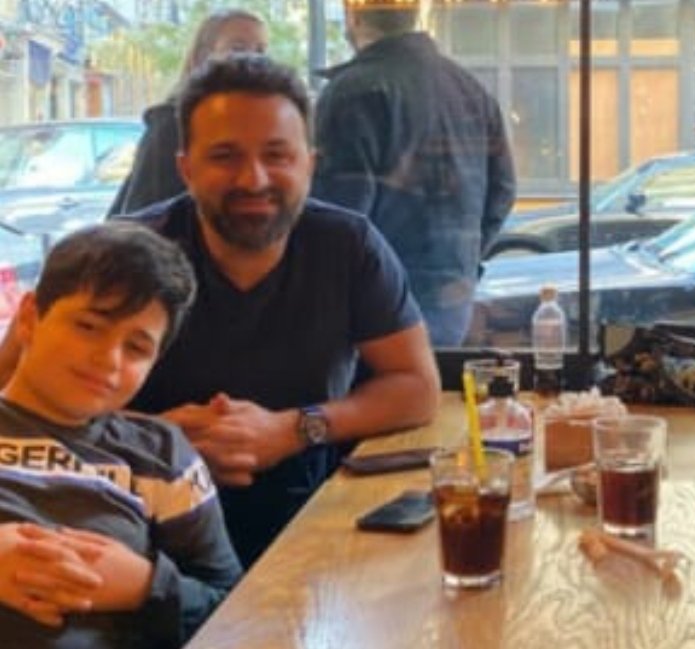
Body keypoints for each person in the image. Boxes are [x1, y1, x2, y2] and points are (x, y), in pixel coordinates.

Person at [111, 54, 441, 566]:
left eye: (277, 155)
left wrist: (294, 429)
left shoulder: (347, 245)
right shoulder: (125, 255)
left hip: (309, 525)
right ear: (186, 168)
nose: (254, 178)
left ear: (309, 163)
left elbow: (417, 386)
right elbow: (25, 403)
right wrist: (159, 439)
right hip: (139, 532)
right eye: (225, 156)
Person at [0, 222, 241, 647]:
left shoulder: (162, 458)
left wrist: (146, 587)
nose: (108, 358)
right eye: (88, 326)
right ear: (30, 317)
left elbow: (239, 609)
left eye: (137, 347)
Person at [312, 0, 516, 347]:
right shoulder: (470, 90)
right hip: (451, 303)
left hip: (374, 310)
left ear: (352, 15)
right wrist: (461, 263)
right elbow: (502, 191)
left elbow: (339, 218)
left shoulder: (351, 92)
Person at [109, 9, 267, 215]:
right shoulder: (171, 127)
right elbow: (144, 218)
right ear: (204, 56)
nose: (252, 60)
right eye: (238, 49)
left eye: (260, 51)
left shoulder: (263, 123)